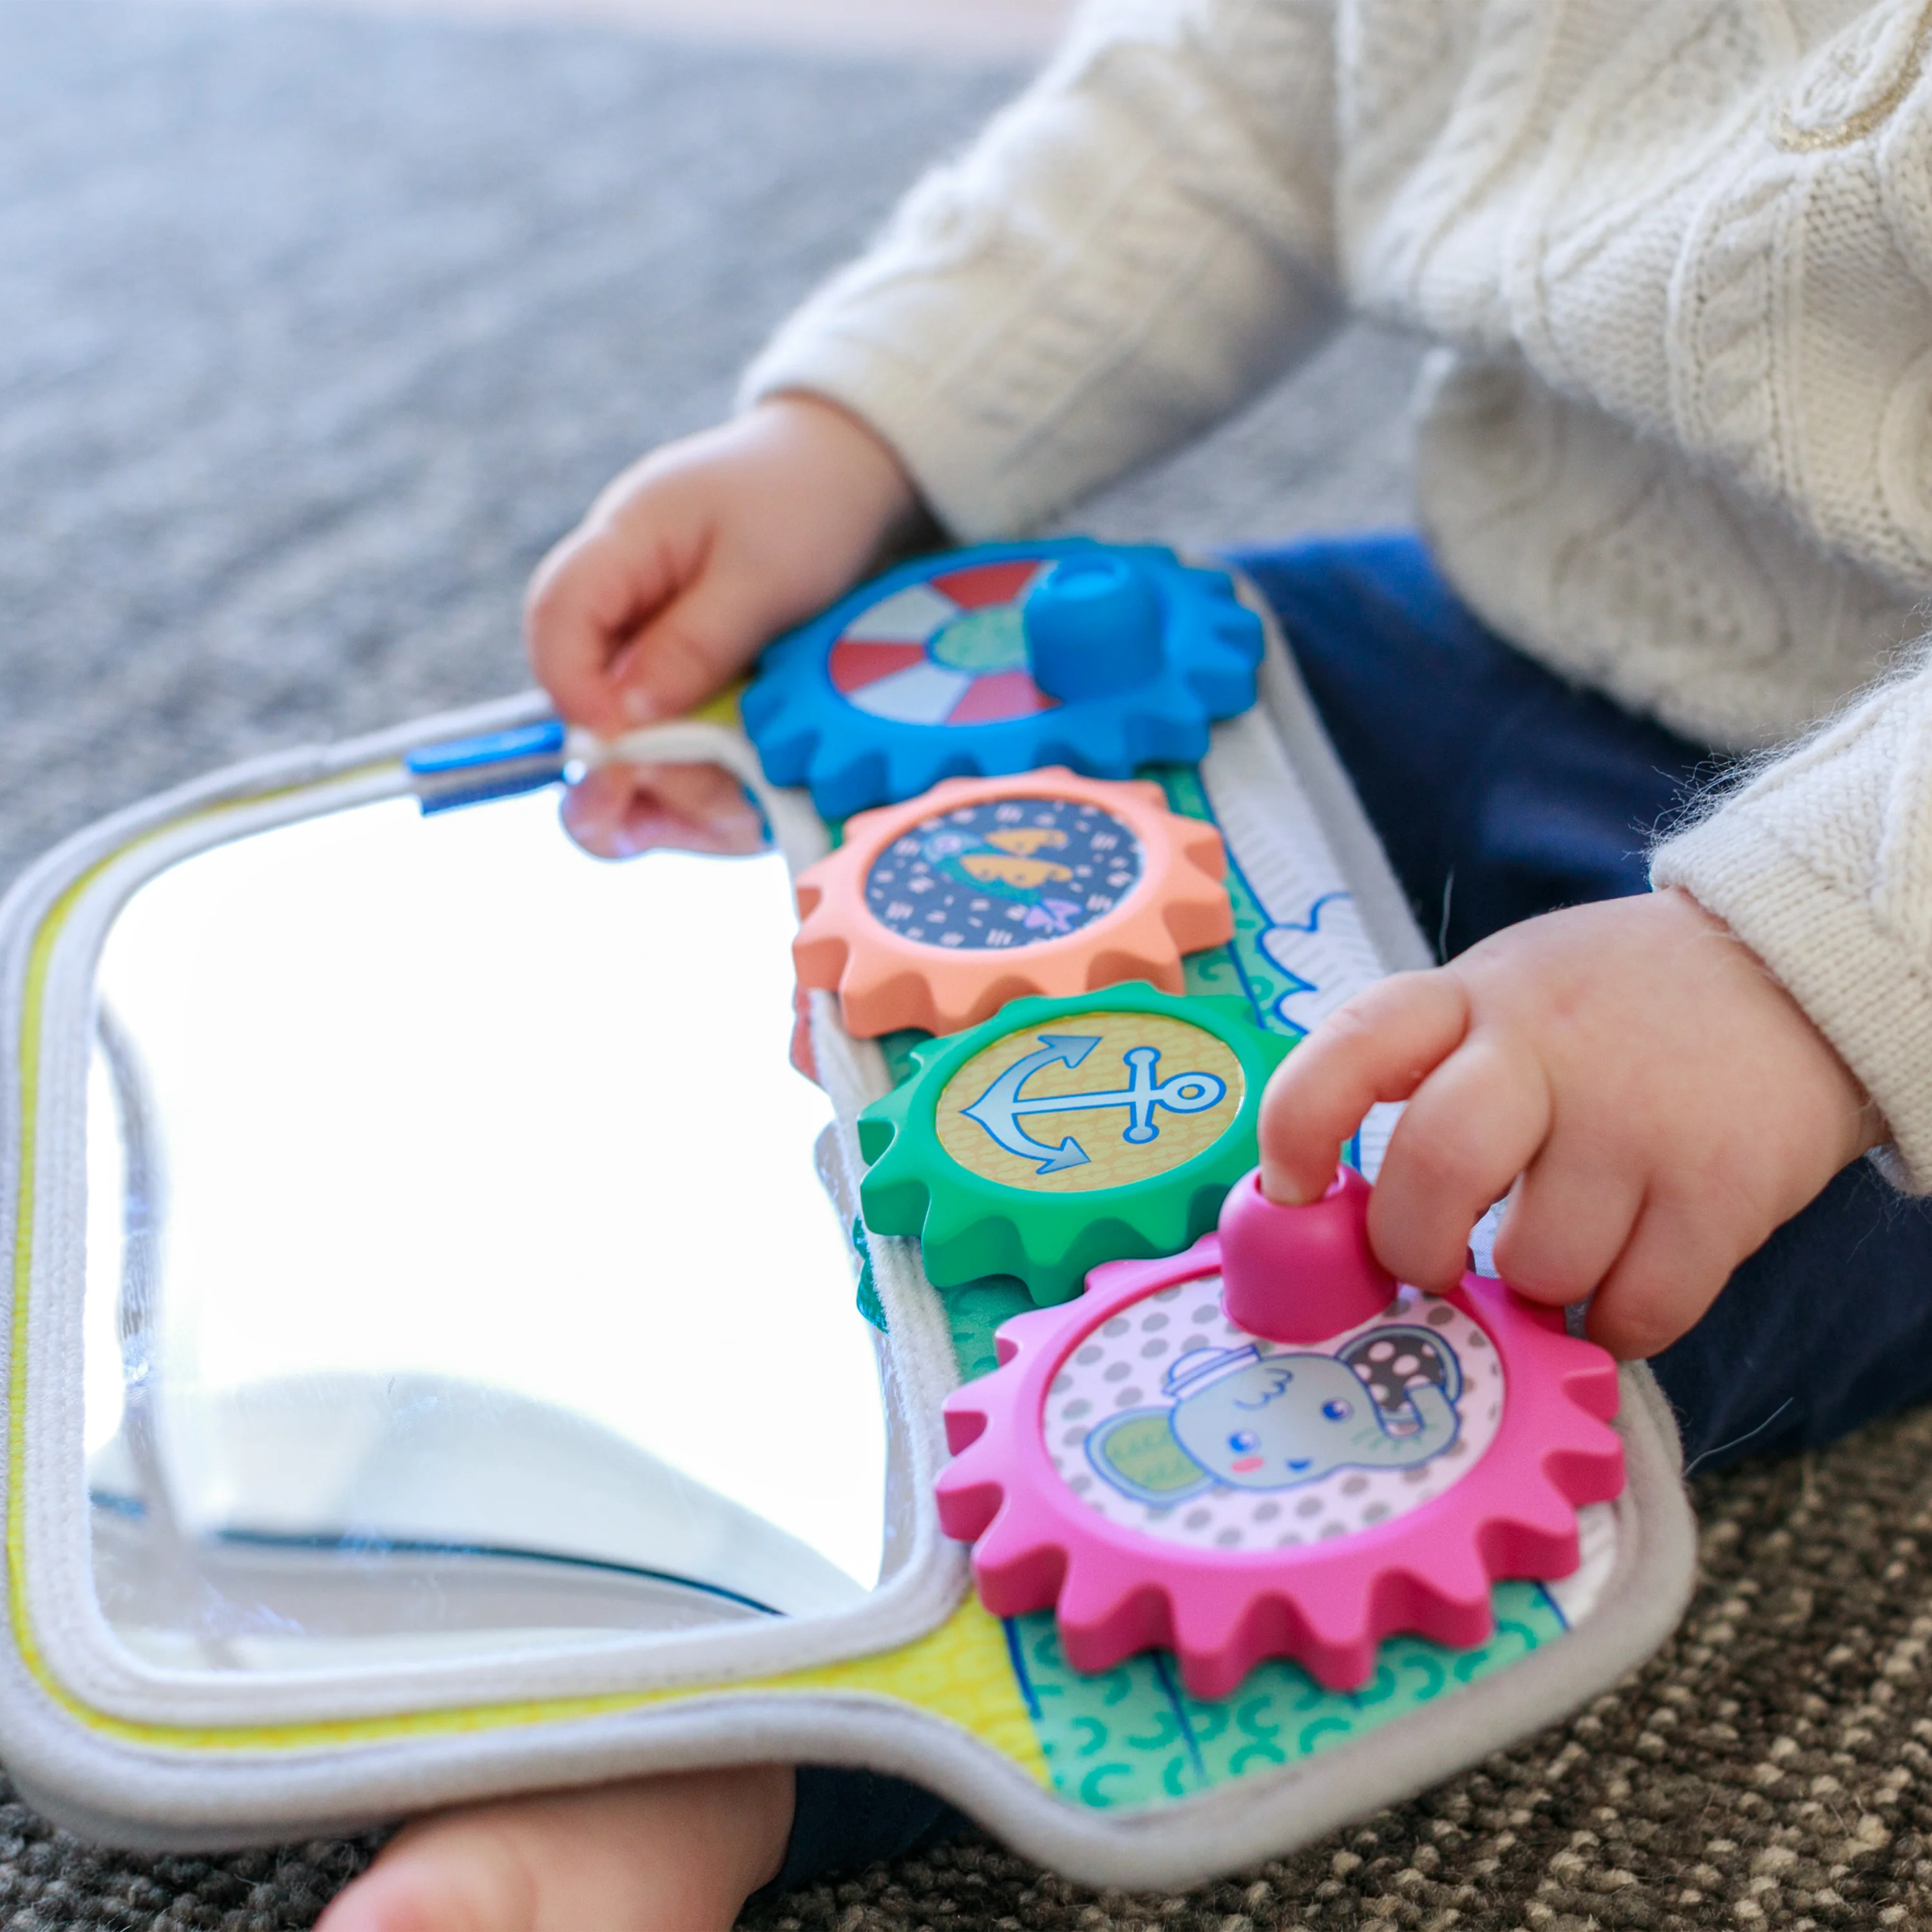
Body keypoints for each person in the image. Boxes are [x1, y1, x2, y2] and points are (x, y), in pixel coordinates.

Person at [316, 1, 1932, 1924]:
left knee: (1479, 1327)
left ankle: (743, 1756)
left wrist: (1794, 981)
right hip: (1496, 609)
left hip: (1858, 940)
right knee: (960, 829)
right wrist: (857, 429)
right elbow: (1246, 87)